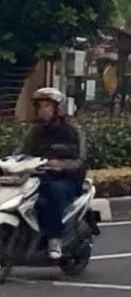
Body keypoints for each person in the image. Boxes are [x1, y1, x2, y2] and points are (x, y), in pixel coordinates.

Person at [21, 88, 86, 261]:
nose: (43, 110)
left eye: (48, 106)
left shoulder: (71, 130)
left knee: (48, 197)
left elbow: (80, 160)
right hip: (39, 177)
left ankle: (54, 239)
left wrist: (60, 165)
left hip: (66, 180)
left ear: (57, 108)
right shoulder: (35, 131)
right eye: (40, 106)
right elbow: (22, 153)